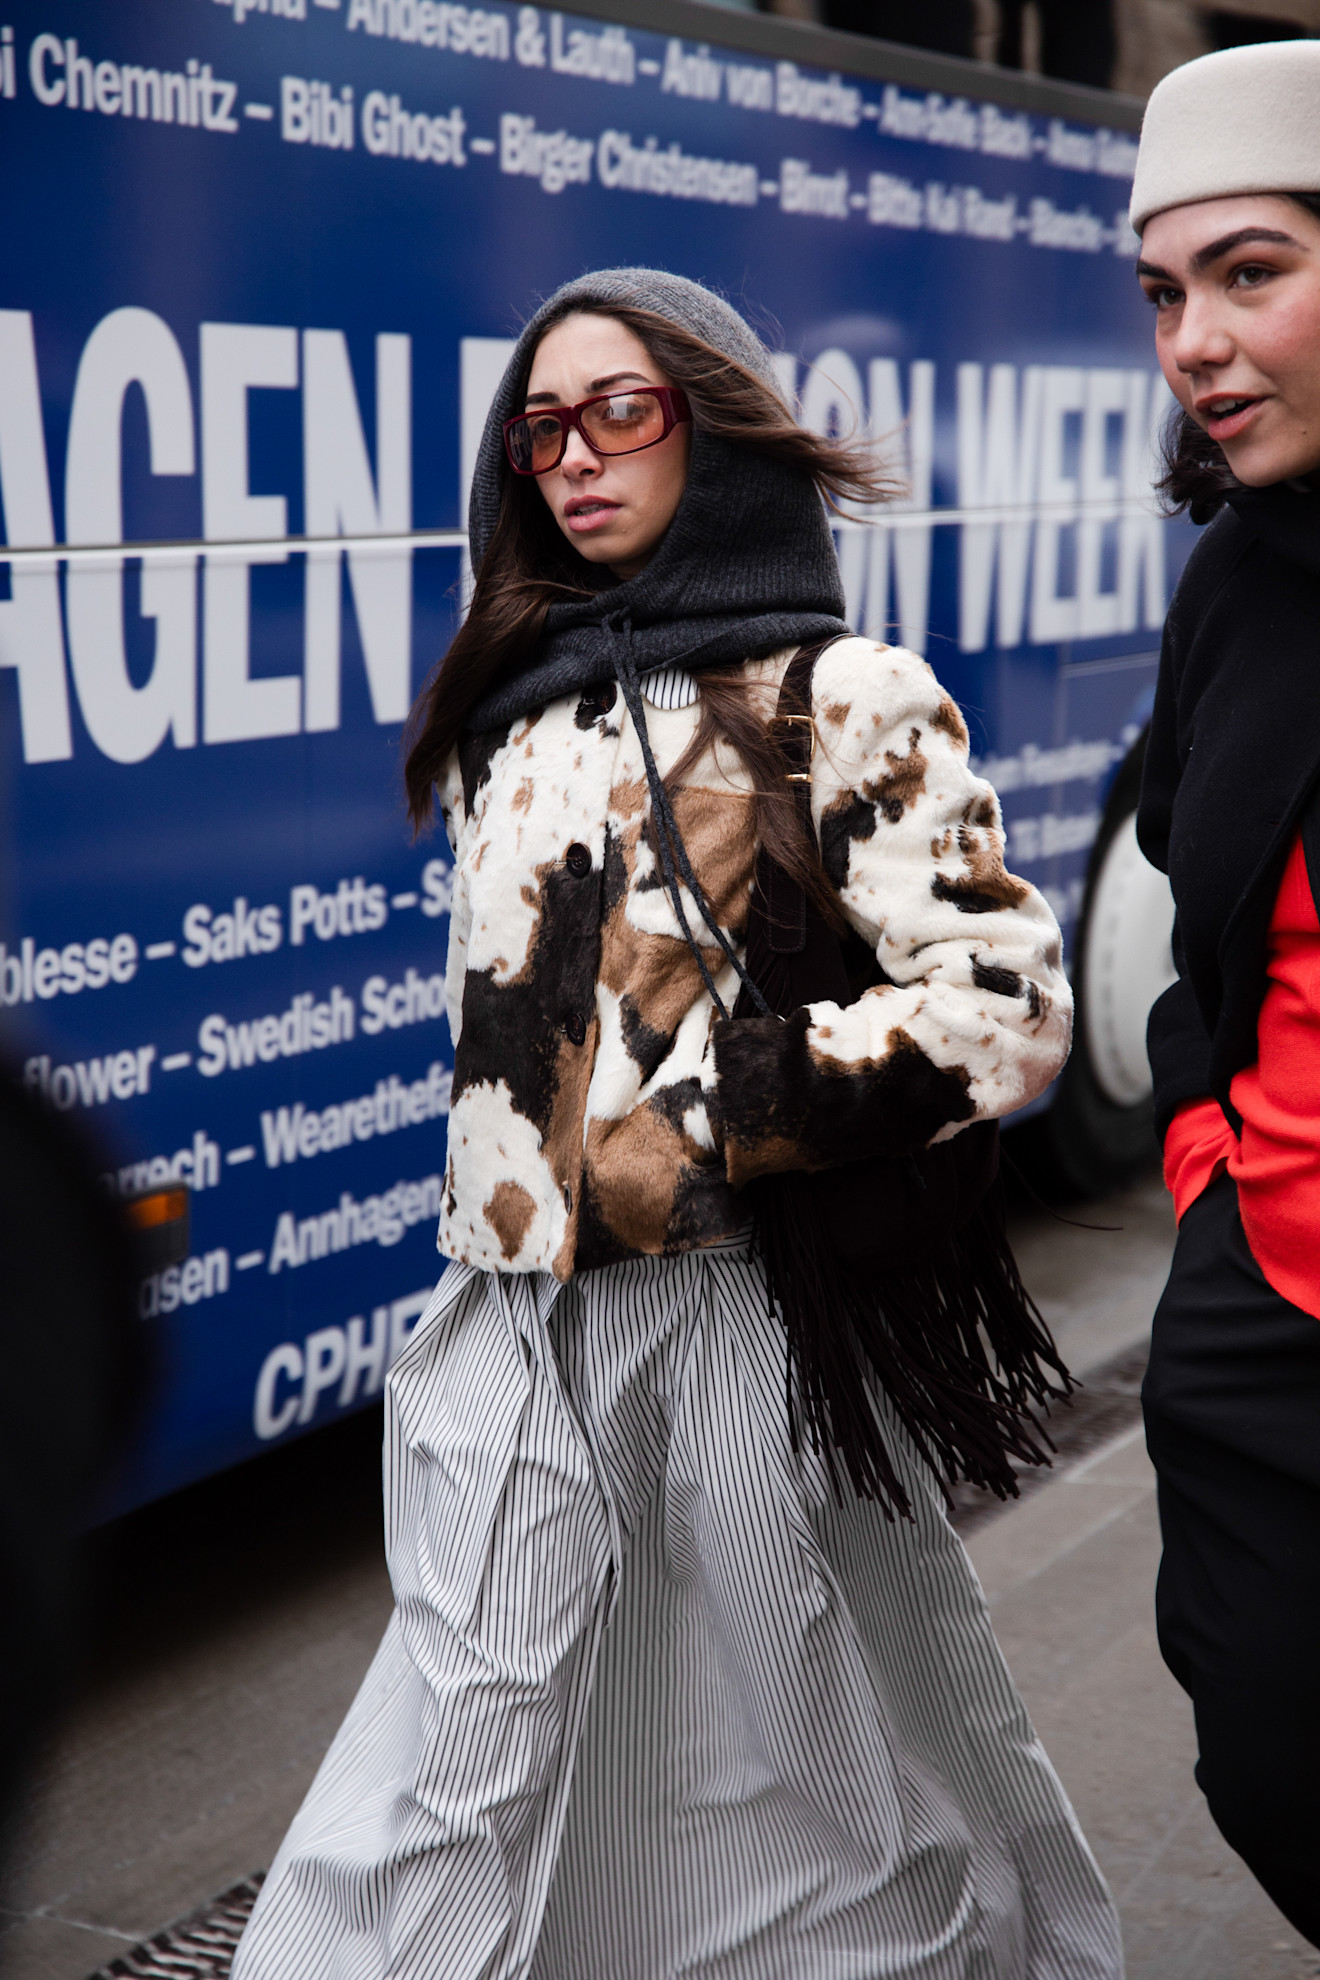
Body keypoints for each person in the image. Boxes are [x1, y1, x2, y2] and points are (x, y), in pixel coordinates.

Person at [233, 268, 1121, 1979]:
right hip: (503, 1324)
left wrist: (713, 1124)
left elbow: (1008, 1000)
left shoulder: (841, 693)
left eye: (619, 412)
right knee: (458, 1749)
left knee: (805, 1761)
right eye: (540, 428)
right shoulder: (513, 704)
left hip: (738, 1319)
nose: (573, 457)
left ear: (712, 429)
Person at [1132, 41, 1320, 1947]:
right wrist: (1207, 1174)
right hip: (1270, 1305)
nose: (1193, 337)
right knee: (1270, 1759)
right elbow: (1187, 890)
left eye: (1251, 273)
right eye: (1166, 294)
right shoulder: (1237, 587)